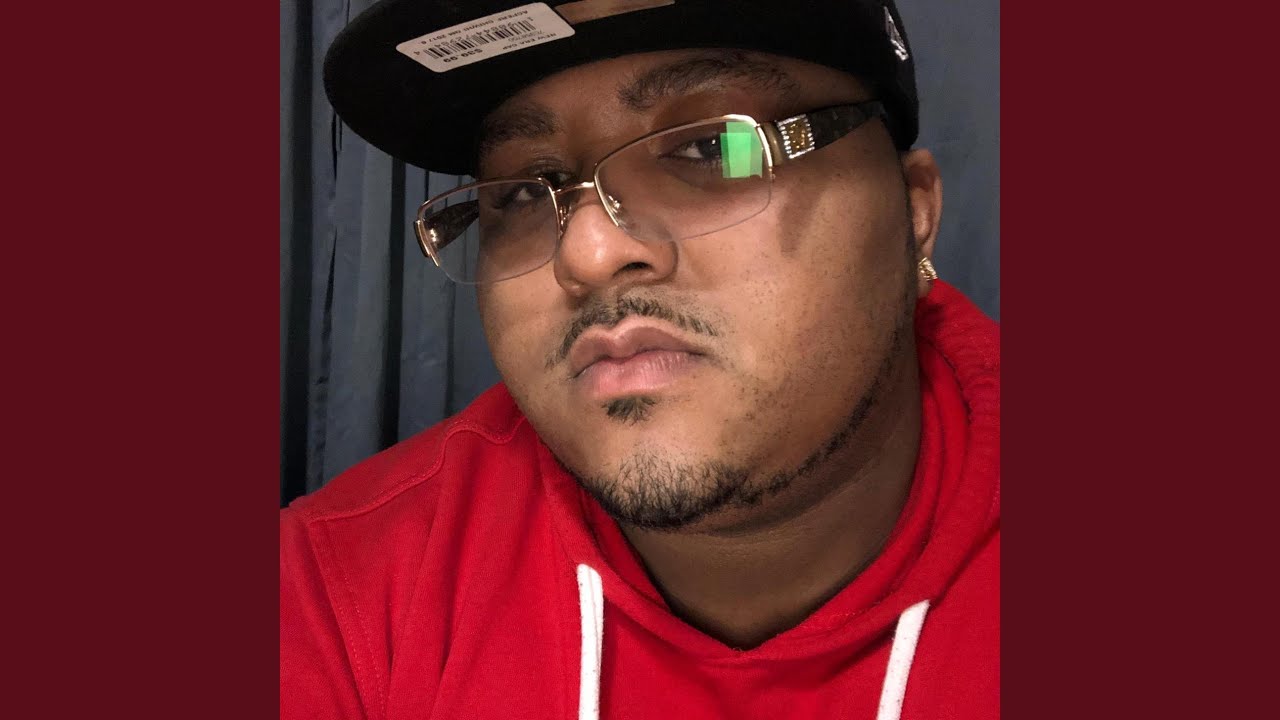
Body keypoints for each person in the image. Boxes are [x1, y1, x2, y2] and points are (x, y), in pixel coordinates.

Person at [281, 1, 999, 718]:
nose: (587, 253)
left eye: (710, 149)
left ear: (914, 213)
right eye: (525, 192)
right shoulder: (336, 596)